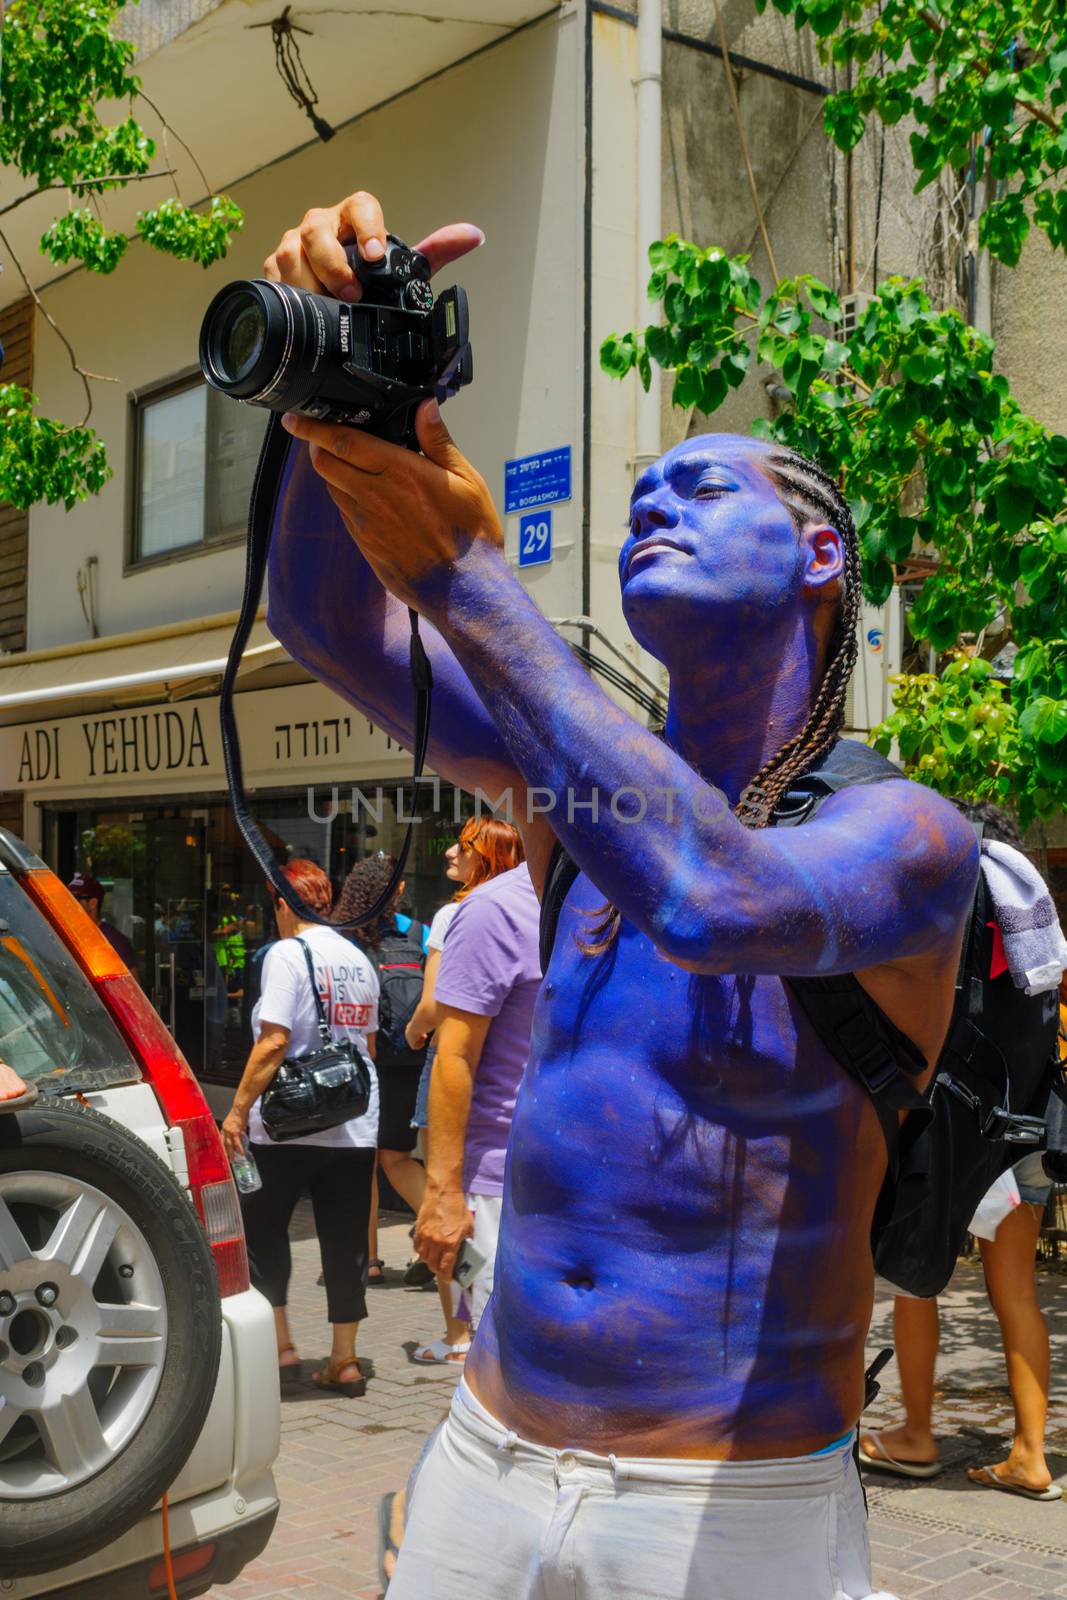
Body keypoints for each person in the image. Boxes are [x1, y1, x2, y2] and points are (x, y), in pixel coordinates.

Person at [263, 191, 978, 1600]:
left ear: (820, 554)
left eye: (698, 490)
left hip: (725, 1500)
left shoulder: (899, 832)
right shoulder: (576, 788)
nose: (650, 506)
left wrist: (472, 573)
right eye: (638, 497)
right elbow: (327, 623)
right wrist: (332, 393)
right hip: (485, 1449)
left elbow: (713, 899)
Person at [860, 804, 1065, 1502]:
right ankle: (1030, 1454)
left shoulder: (962, 910)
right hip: (1026, 1125)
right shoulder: (1028, 909)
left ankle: (915, 1436)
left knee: (917, 1279)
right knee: (1015, 1294)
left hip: (962, 1128)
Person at [220, 858, 379, 1397]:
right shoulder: (358, 957)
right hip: (355, 1126)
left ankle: (282, 1348)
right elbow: (368, 1049)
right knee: (347, 1240)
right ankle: (346, 1360)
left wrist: (238, 1110)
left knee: (264, 1233)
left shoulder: (287, 953)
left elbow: (273, 1040)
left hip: (286, 1127)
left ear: (284, 904)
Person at [412, 818, 533, 1363]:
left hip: (583, 1191)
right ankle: (458, 1333)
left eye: (464, 846)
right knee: (496, 1360)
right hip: (495, 1182)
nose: (451, 854)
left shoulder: (629, 901)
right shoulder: (483, 911)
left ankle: (458, 1331)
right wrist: (444, 1192)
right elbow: (451, 1046)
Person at [333, 855, 428, 1285]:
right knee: (397, 1158)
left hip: (360, 1064)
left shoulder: (346, 940)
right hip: (410, 1061)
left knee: (363, 1164)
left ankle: (368, 1260)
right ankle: (440, 1229)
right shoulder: (419, 935)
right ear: (400, 892)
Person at [67, 872, 136, 967]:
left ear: (93, 903)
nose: (68, 905)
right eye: (66, 899)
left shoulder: (114, 942)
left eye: (74, 900)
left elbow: (131, 981)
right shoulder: (67, 936)